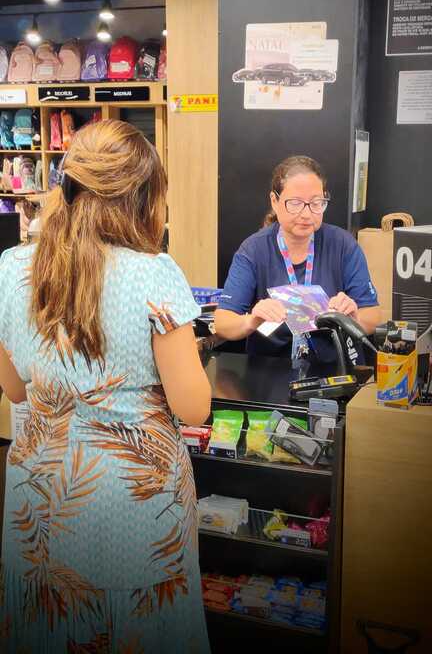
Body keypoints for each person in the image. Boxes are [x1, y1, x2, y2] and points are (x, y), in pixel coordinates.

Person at [0, 120, 211, 653]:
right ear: (142, 198)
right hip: (131, 501)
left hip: (40, 499)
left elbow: (16, 389)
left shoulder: (12, 268)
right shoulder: (154, 273)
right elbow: (193, 407)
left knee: (49, 628)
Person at [215, 155, 380, 357]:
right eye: (295, 203)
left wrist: (353, 317)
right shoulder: (253, 250)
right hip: (270, 367)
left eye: (316, 203)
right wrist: (252, 320)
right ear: (274, 201)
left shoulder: (343, 245)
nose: (306, 214)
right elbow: (223, 322)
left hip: (333, 367)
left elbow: (373, 316)